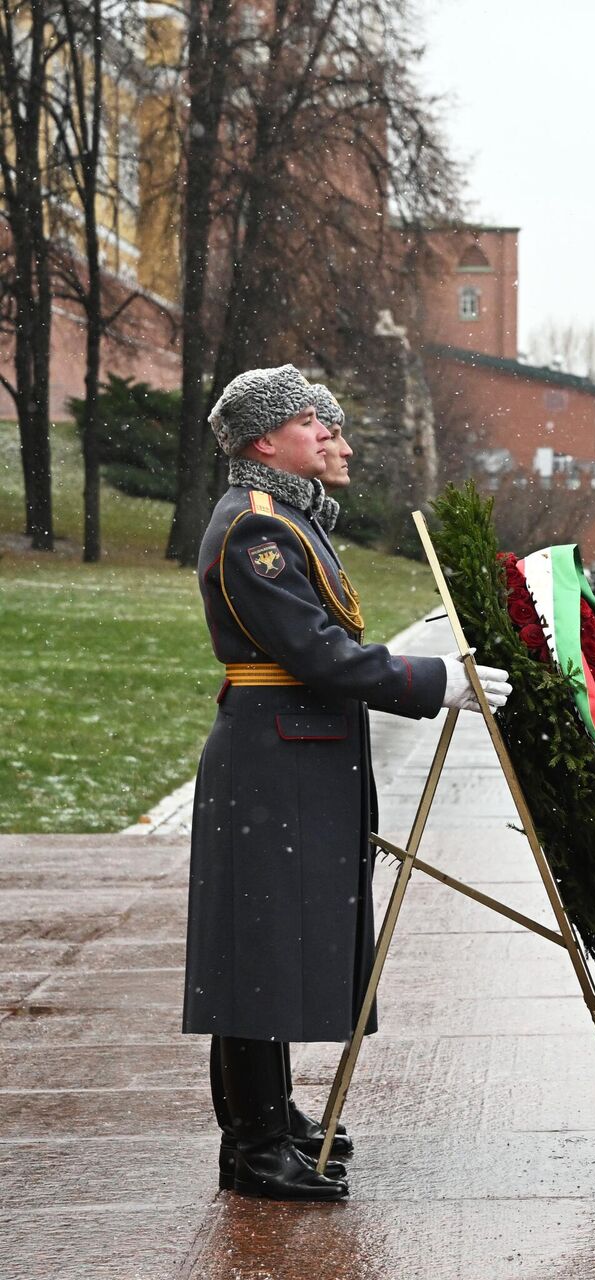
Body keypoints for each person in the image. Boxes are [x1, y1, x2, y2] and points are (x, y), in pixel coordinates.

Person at [185, 365, 511, 1202]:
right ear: (265, 441)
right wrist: (430, 682)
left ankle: (268, 1118)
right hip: (274, 759)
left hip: (296, 754)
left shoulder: (290, 520)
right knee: (258, 954)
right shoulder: (257, 529)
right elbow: (314, 652)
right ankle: (255, 1147)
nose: (333, 437)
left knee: (274, 945)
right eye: (312, 424)